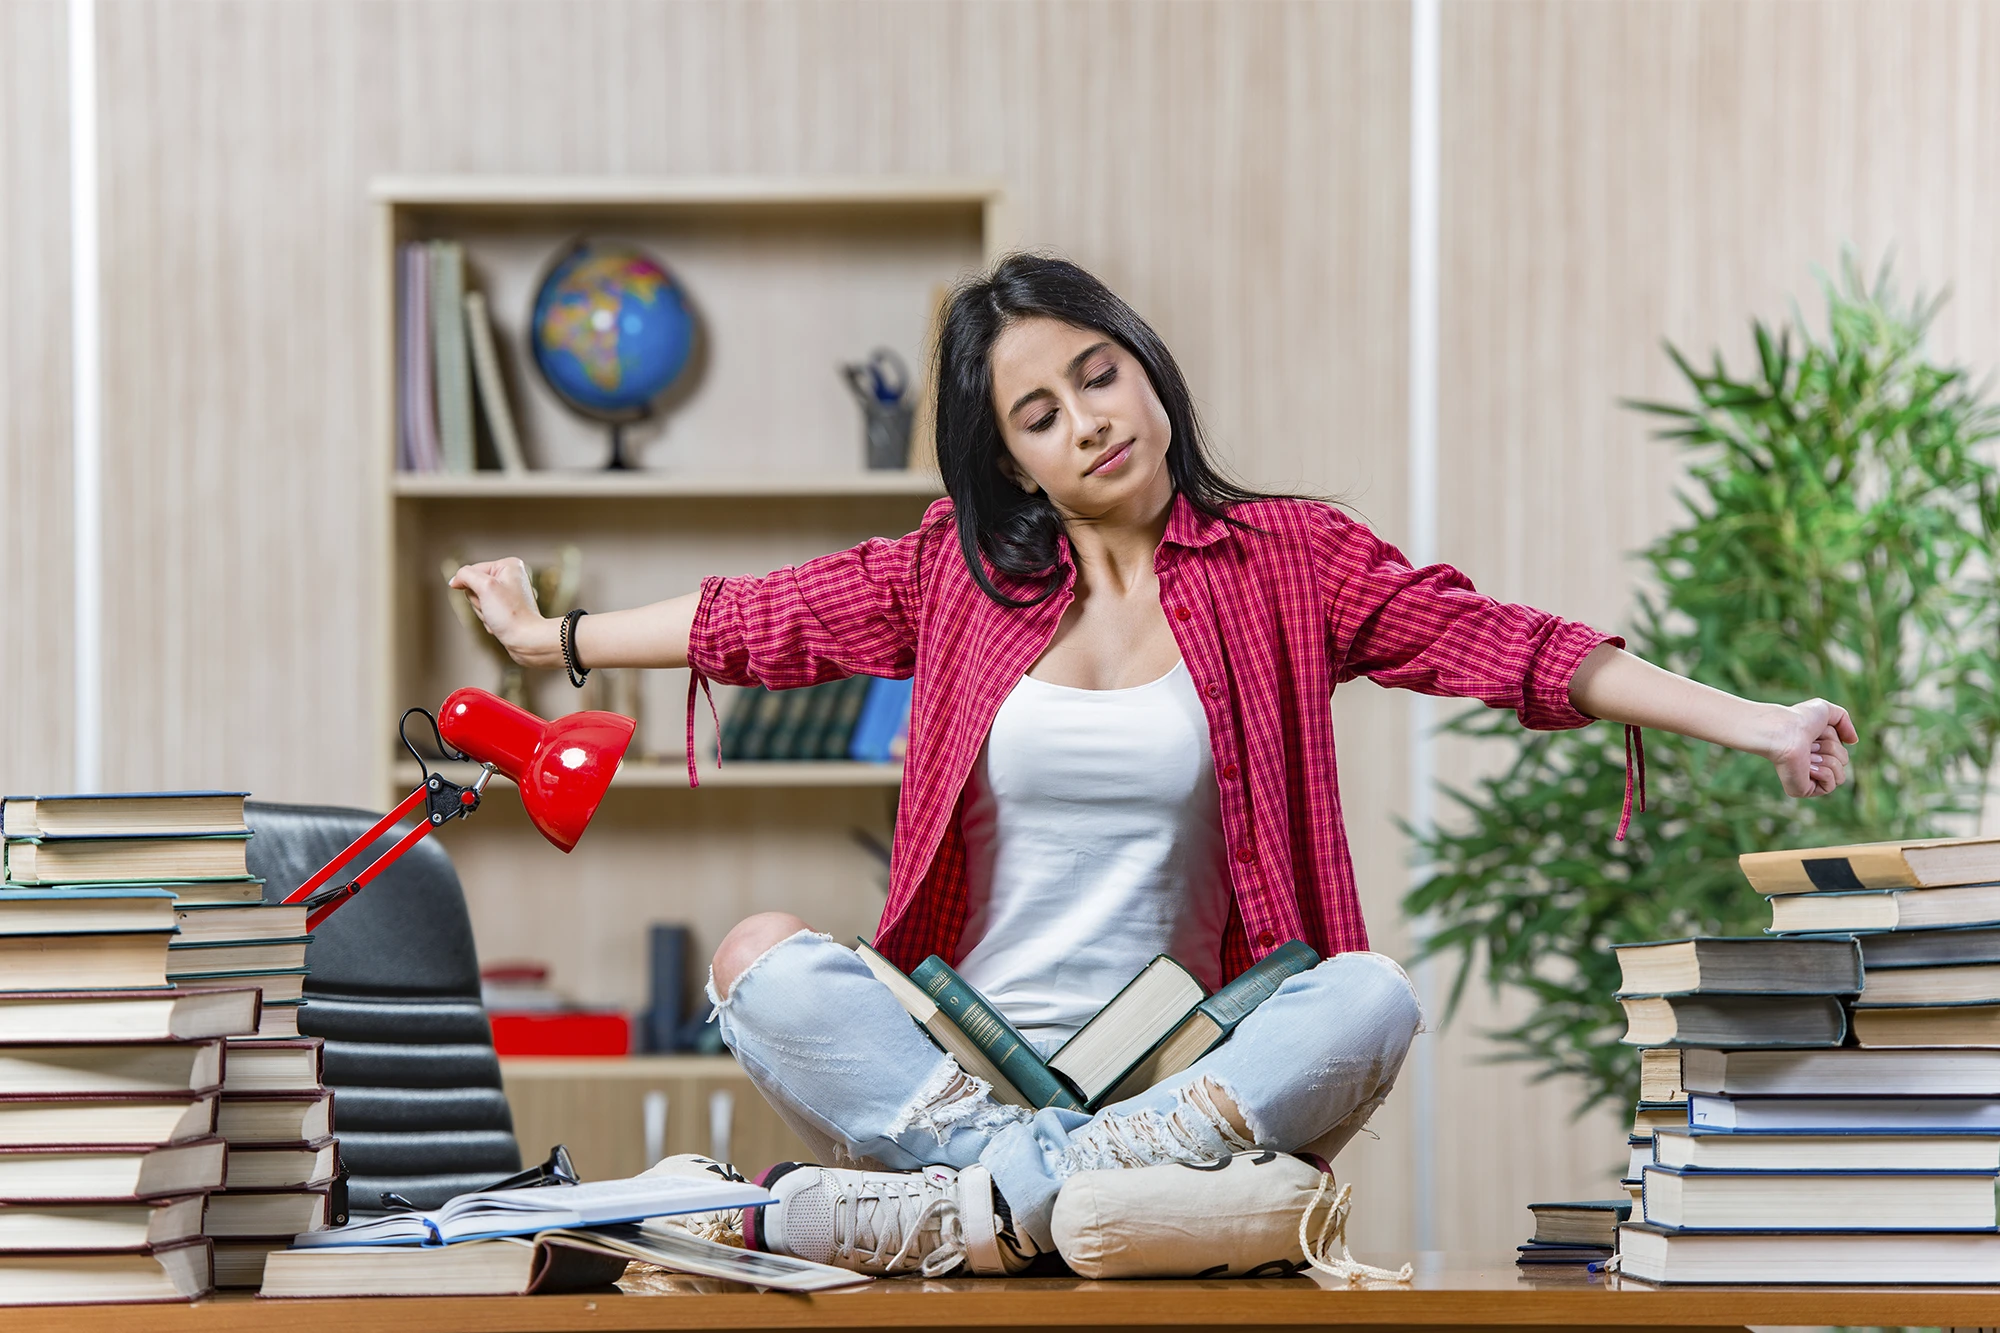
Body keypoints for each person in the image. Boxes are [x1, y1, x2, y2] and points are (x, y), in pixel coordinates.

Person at [449, 254, 1858, 1278]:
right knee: (759, 955)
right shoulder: (955, 576)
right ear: (1012, 465)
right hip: (965, 1061)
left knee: (1367, 994)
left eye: (1096, 373)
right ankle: (1018, 1182)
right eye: (1040, 416)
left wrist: (1757, 719)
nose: (1089, 420)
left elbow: (1506, 644)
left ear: (1144, 363)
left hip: (1184, 1075)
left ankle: (983, 1210)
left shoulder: (1290, 560)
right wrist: (547, 633)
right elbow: (755, 619)